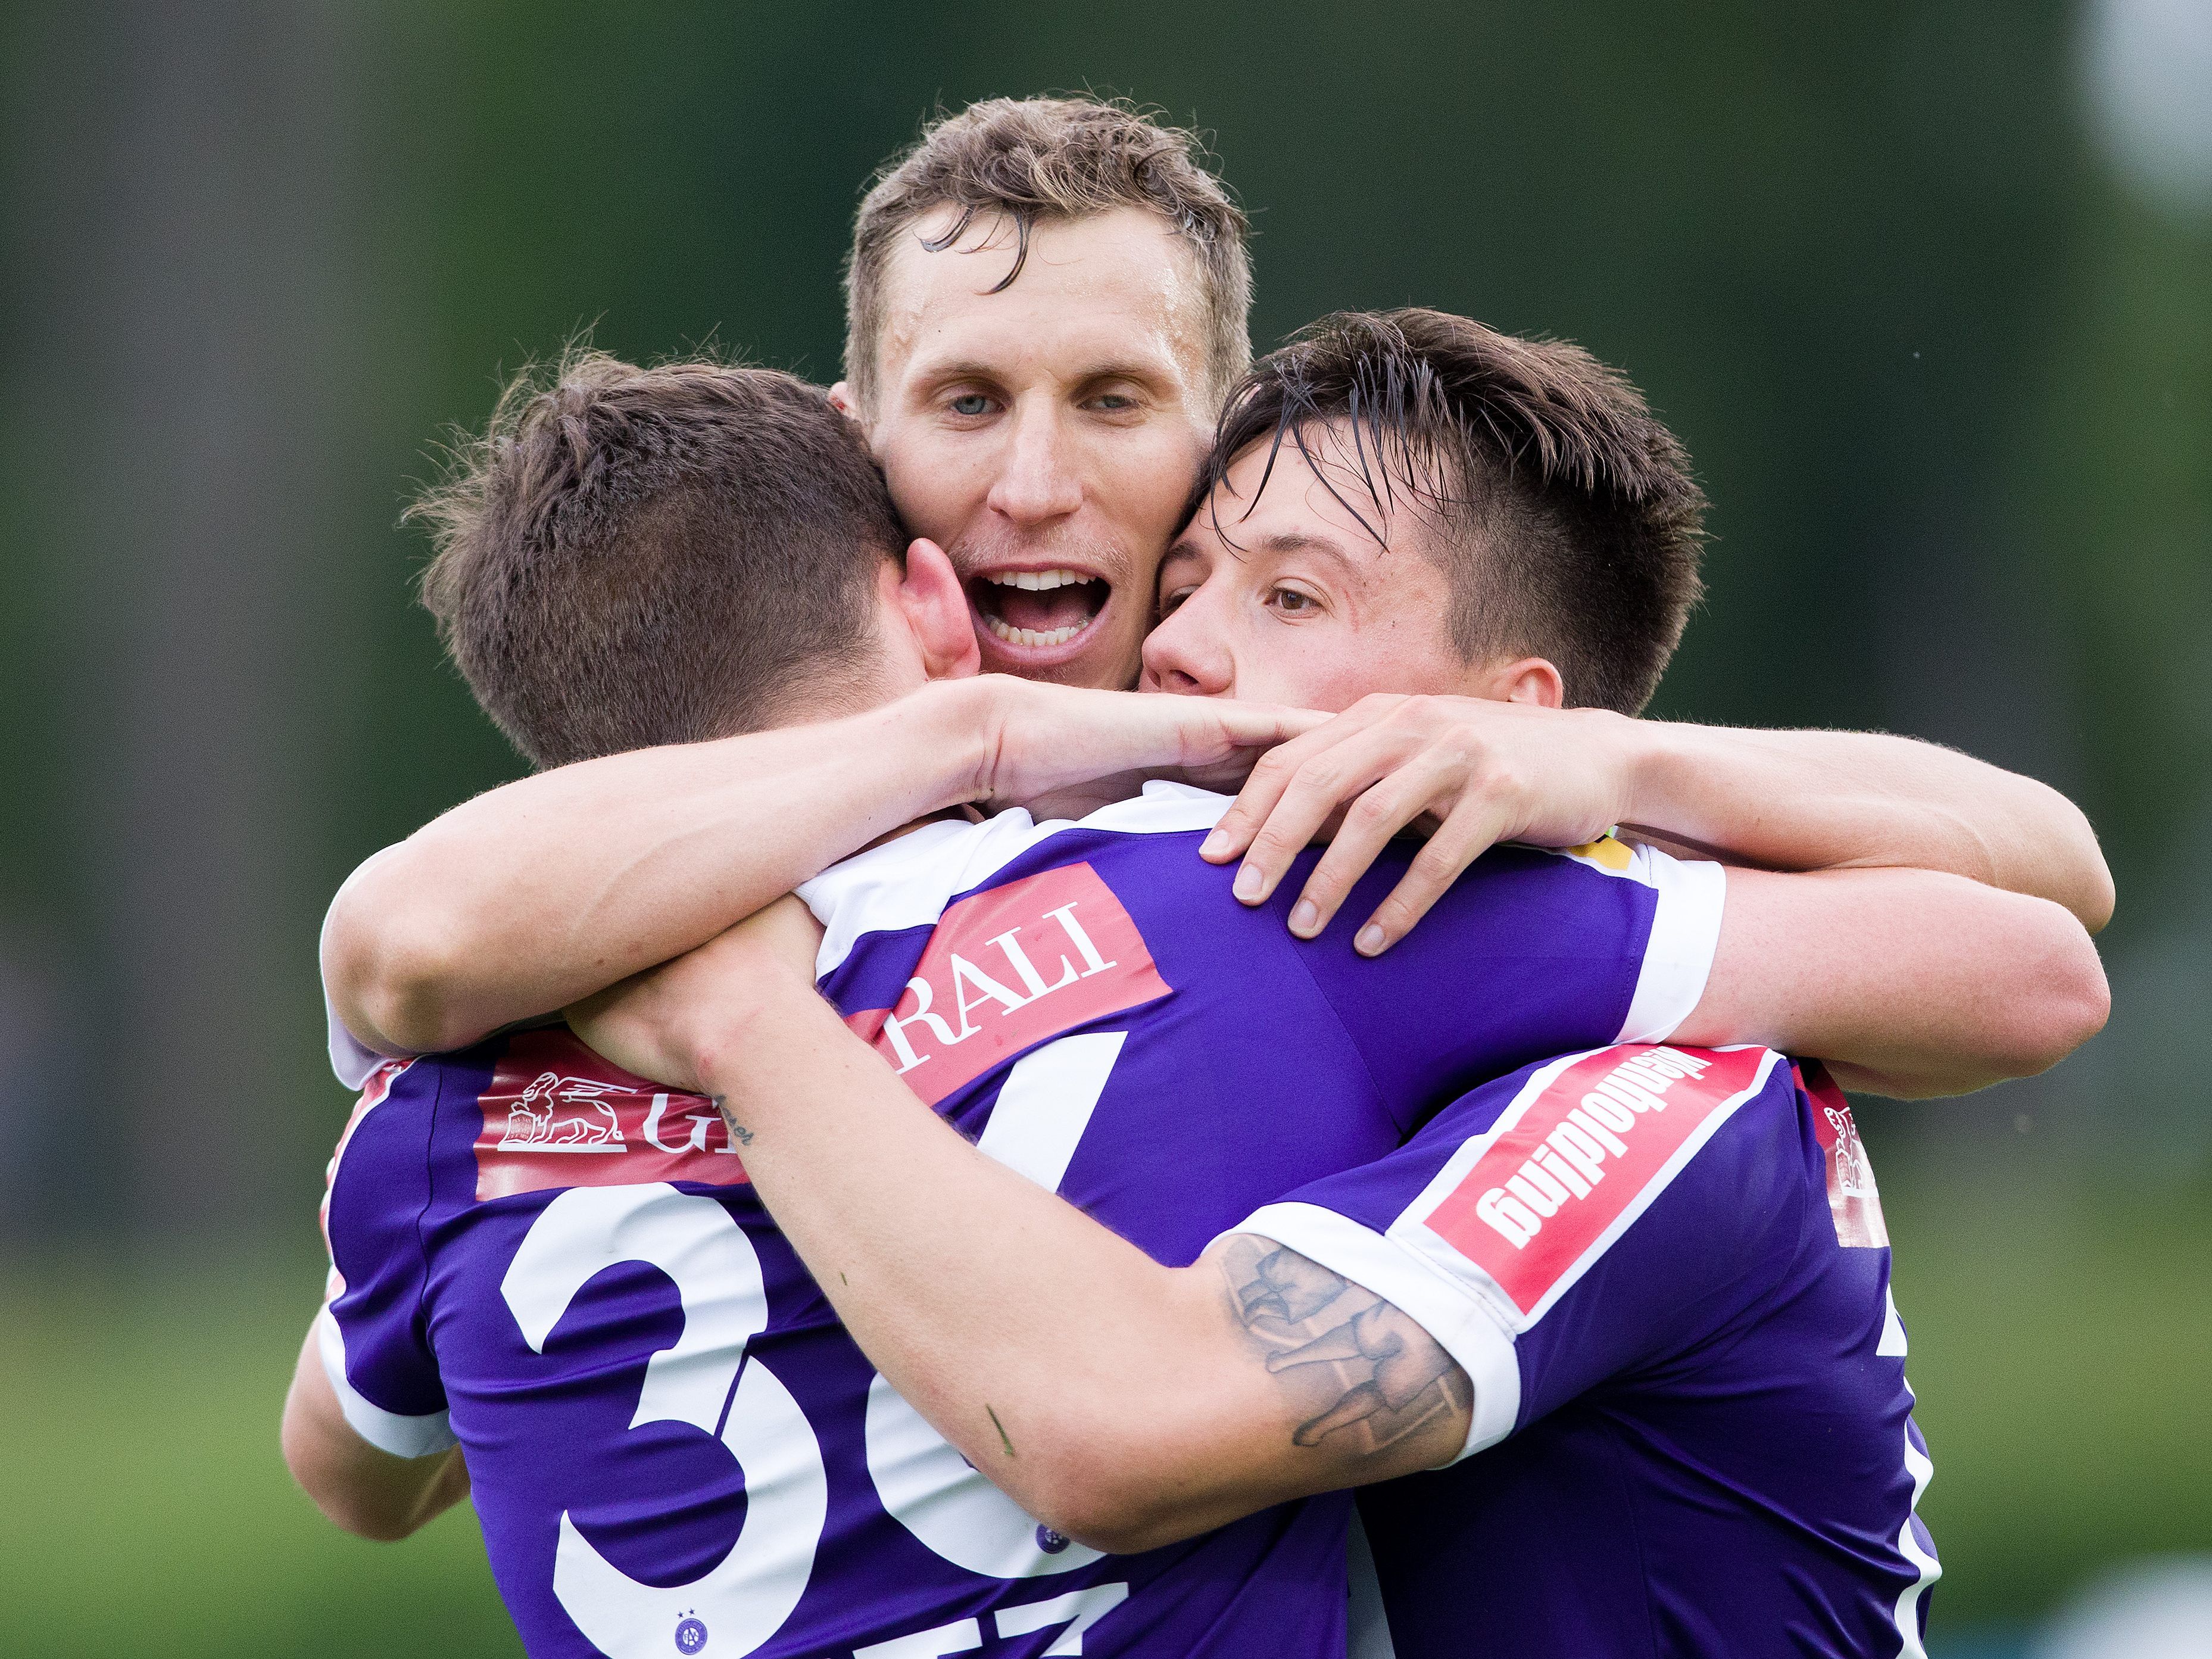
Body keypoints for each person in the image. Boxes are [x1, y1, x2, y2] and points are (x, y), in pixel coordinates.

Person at [283, 347, 2105, 1655]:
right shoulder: (1271, 916)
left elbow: (349, 1468)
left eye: (1279, 588)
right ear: (930, 588)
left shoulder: (441, 1107)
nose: (1174, 648)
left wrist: (1599, 766)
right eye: (966, 410)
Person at [317, 98, 2110, 1076]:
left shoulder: (1351, 797)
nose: (1034, 481)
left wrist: (1613, 768)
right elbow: (405, 955)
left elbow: (2046, 888)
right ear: (855, 431)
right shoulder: (726, 821)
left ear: (1216, 430)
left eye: (1110, 400)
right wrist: (978, 733)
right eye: (966, 403)